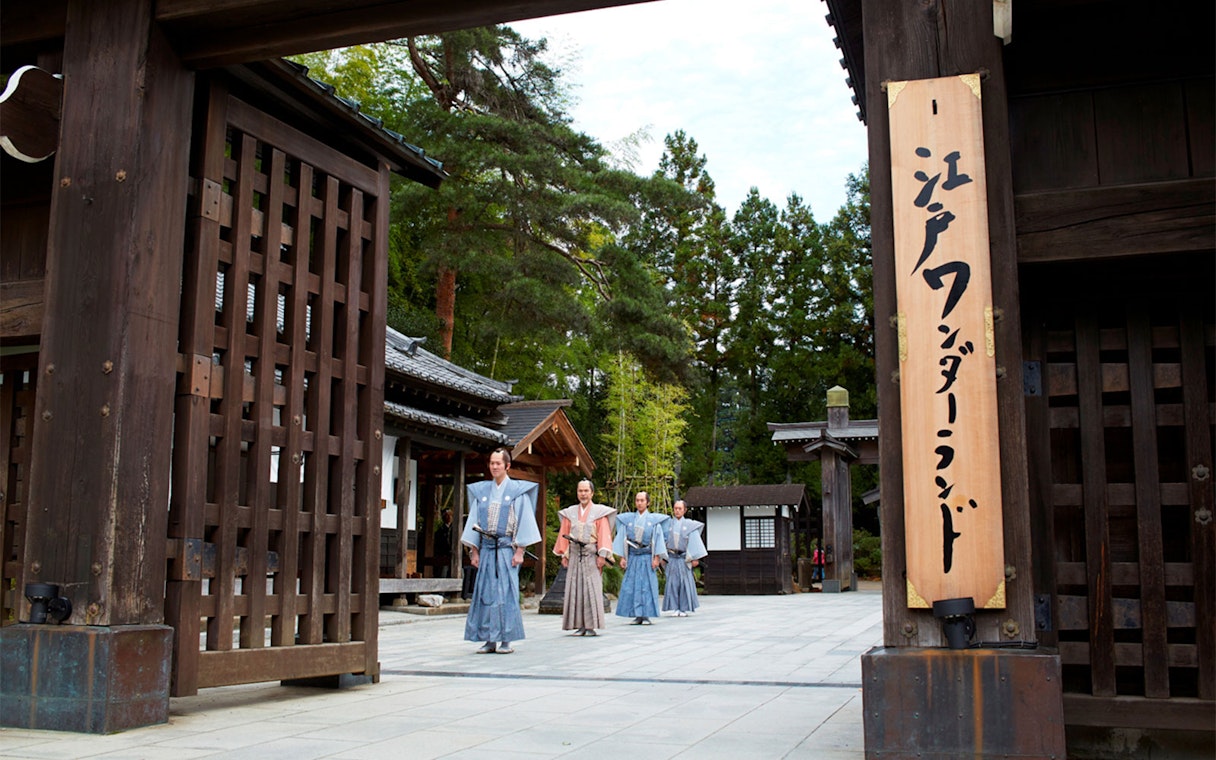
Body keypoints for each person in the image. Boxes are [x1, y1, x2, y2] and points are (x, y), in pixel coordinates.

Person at [460, 448, 541, 654]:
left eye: (498, 463)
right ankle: (488, 639)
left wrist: (520, 550)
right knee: (485, 593)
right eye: (492, 463)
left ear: (507, 466)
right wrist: (474, 552)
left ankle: (506, 639)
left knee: (505, 593)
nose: (494, 466)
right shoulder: (483, 492)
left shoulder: (516, 492)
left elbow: (525, 521)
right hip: (486, 549)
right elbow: (473, 522)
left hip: (506, 549)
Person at [552, 479, 617, 636]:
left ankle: (591, 626)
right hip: (574, 554)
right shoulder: (570, 513)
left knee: (591, 588)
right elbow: (564, 534)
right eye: (580, 491)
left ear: (592, 493)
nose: (583, 494)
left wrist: (602, 555)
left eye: (586, 491)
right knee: (575, 589)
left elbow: (604, 534)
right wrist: (564, 554)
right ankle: (578, 625)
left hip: (590, 553)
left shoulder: (599, 513)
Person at [612, 491, 669, 625]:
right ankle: (636, 615)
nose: (639, 503)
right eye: (637, 500)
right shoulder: (628, 520)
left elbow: (658, 539)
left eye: (642, 500)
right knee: (632, 585)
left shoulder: (654, 521)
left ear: (647, 502)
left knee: (647, 586)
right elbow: (622, 538)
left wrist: (656, 558)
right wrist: (622, 557)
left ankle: (647, 614)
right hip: (633, 557)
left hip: (647, 556)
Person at [662, 499, 706, 616]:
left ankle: (683, 608)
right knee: (673, 583)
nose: (677, 511)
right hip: (671, 557)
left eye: (680, 509)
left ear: (685, 510)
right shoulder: (668, 525)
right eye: (675, 508)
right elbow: (663, 541)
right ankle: (675, 608)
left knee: (684, 583)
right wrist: (661, 555)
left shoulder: (690, 525)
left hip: (684, 557)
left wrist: (695, 557)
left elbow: (695, 542)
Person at [434, 507, 454, 578]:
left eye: (450, 515)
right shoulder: (440, 531)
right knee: (443, 573)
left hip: (453, 556)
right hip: (443, 556)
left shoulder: (454, 530)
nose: (449, 517)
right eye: (447, 515)